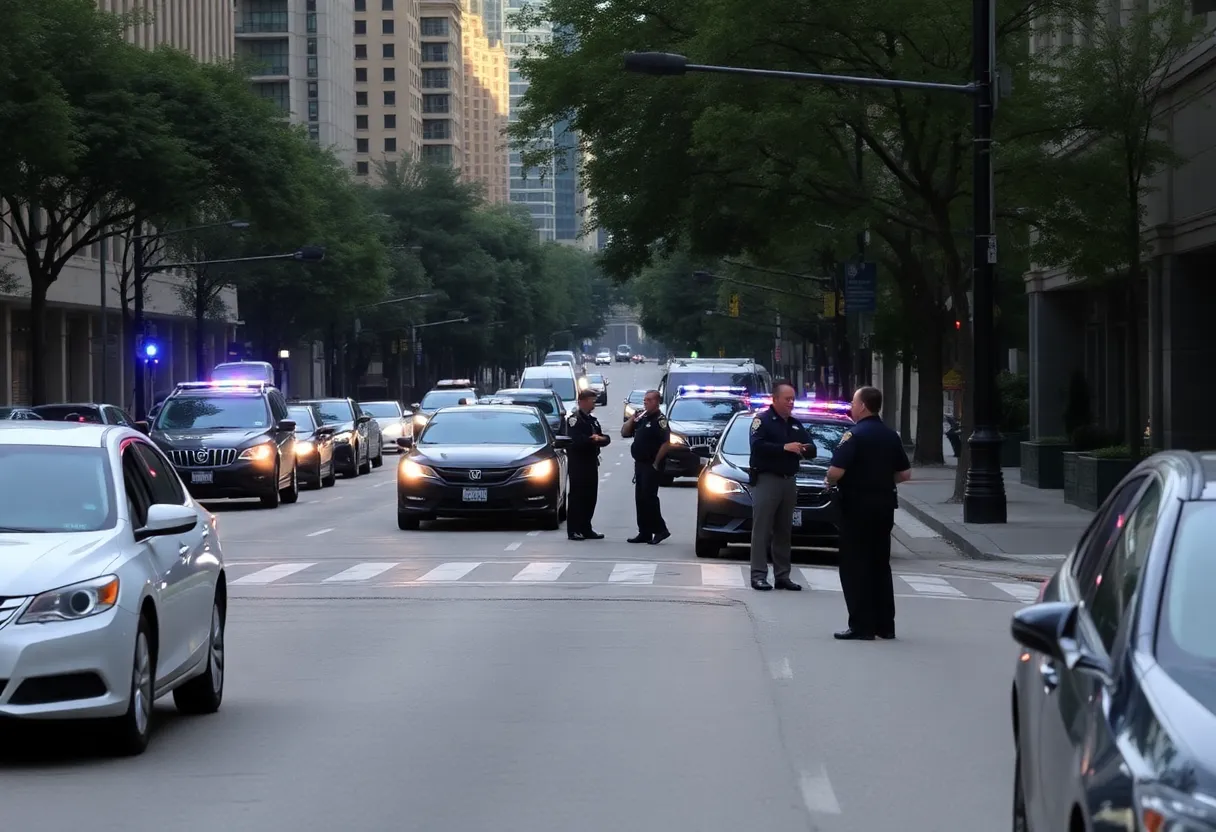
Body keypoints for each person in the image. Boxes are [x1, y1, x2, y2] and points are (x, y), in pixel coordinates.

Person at [825, 386, 912, 640]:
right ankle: (885, 626)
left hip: (857, 509)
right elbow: (905, 473)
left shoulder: (854, 435)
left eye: (853, 402)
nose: (851, 406)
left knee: (855, 566)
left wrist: (829, 480)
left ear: (863, 406)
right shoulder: (890, 435)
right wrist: (881, 480)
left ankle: (862, 626)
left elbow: (835, 471)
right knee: (880, 565)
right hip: (884, 507)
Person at [748, 381, 817, 591]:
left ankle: (782, 575)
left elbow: (812, 448)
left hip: (789, 481)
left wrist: (803, 448)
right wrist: (784, 448)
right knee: (762, 529)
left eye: (793, 399)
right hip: (768, 479)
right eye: (787, 399)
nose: (791, 403)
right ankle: (758, 575)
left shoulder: (795, 424)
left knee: (784, 530)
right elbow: (757, 446)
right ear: (775, 399)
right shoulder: (762, 421)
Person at [621, 389, 671, 545]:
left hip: (652, 464)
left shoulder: (659, 420)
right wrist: (632, 418)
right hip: (640, 464)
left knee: (649, 498)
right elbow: (624, 432)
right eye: (645, 400)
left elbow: (666, 443)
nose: (646, 403)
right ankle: (644, 532)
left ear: (657, 402)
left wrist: (657, 463)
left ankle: (661, 530)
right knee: (640, 499)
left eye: (649, 400)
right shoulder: (643, 417)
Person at [566, 388, 610, 541]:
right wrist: (592, 440)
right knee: (577, 496)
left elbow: (605, 438)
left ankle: (586, 527)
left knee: (590, 496)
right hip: (578, 463)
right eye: (592, 400)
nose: (594, 404)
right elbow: (575, 440)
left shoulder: (592, 420)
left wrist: (599, 439)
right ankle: (574, 529)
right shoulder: (574, 420)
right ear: (582, 401)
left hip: (591, 462)